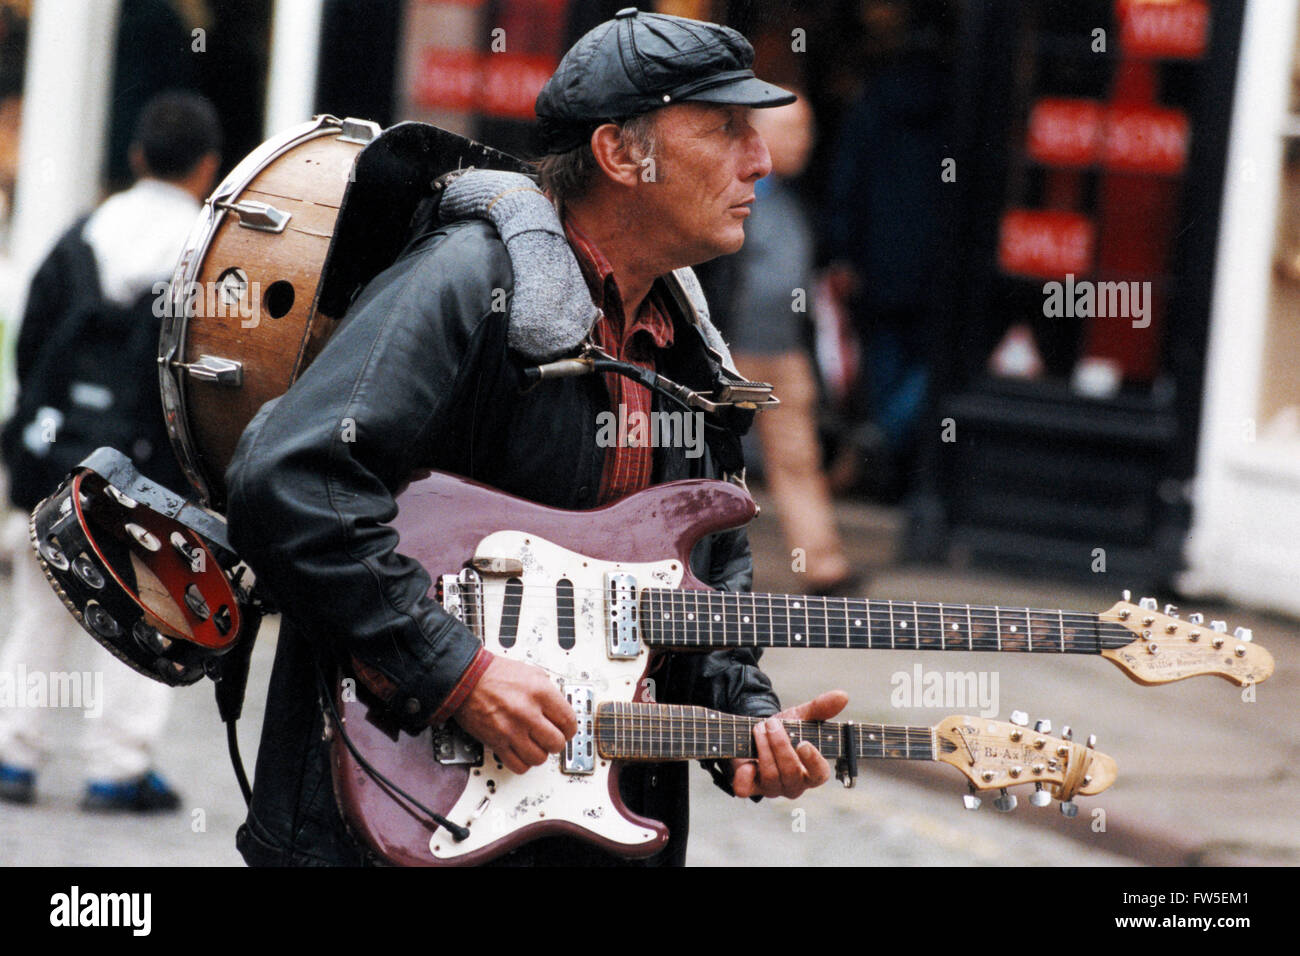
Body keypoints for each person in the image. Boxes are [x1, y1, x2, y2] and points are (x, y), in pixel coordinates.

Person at [225, 8, 847, 866]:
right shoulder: (469, 275)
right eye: (726, 128)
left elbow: (703, 585)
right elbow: (291, 478)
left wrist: (743, 721)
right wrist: (457, 673)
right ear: (622, 154)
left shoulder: (693, 338)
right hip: (385, 813)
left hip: (588, 828)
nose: (762, 160)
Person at [0, 91, 221, 810]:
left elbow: (34, 347)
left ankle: (13, 753)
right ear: (208, 166)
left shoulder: (82, 235)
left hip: (55, 461)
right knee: (151, 610)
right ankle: (116, 768)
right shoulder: (206, 253)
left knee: (40, 607)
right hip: (146, 475)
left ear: (134, 156)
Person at [723, 95, 856, 596]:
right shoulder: (729, 188)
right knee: (707, 457)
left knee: (798, 457)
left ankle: (821, 562)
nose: (805, 142)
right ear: (759, 133)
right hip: (730, 350)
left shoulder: (795, 198)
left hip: (783, 349)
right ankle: (696, 564)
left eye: (807, 130)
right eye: (793, 130)